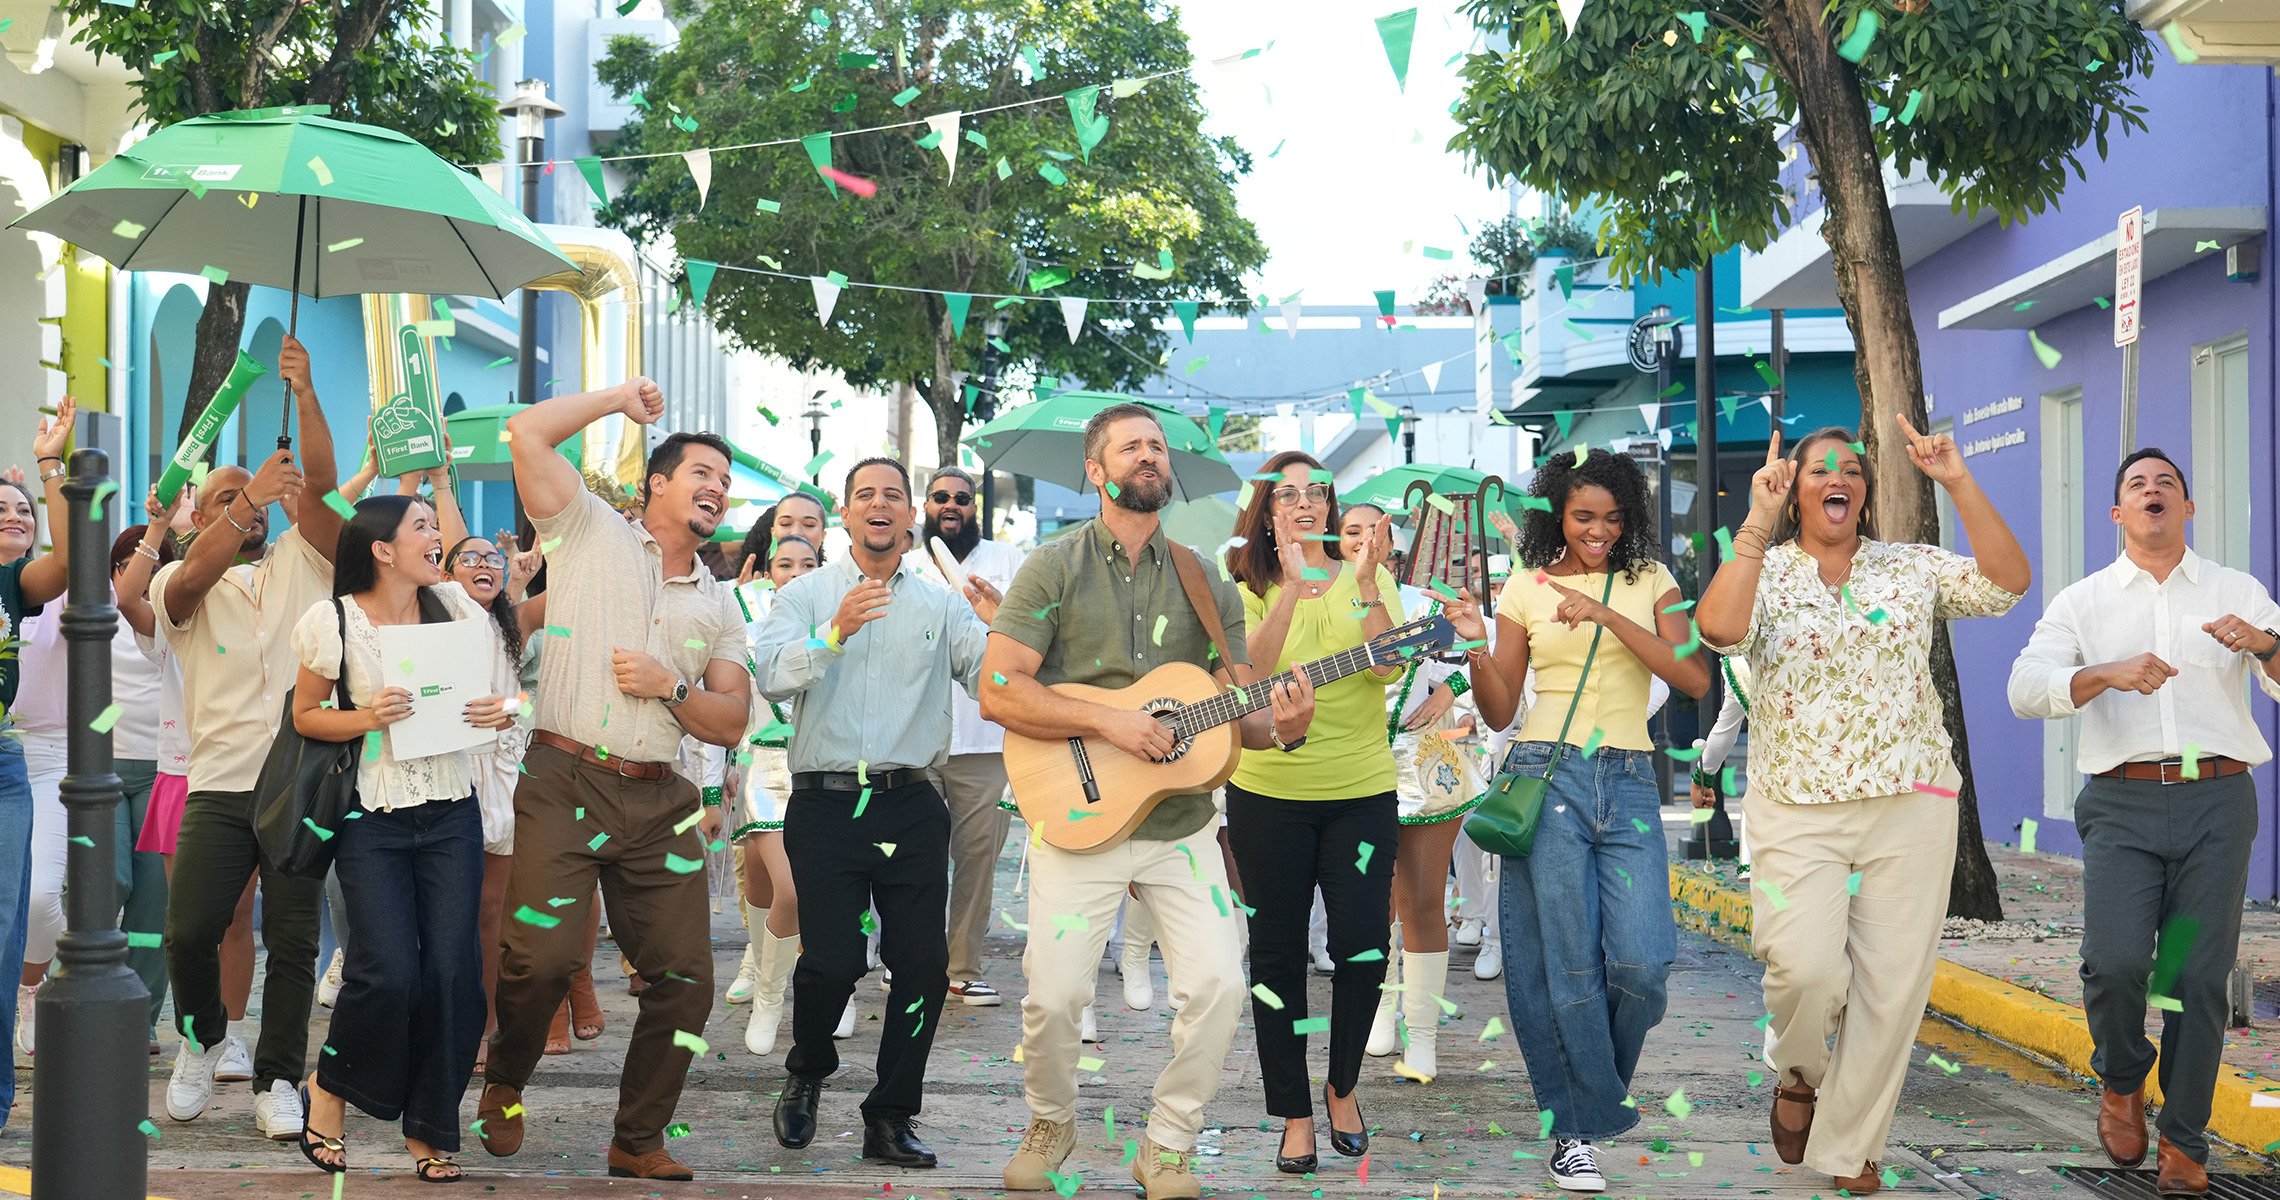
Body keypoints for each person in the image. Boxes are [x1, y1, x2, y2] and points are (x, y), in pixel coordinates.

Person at [981, 404, 1314, 1200]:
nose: (1149, 456)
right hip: (1075, 815)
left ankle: (1167, 1142)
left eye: (1157, 447)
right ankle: (1050, 1119)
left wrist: (1287, 728)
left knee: (1222, 985)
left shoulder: (1206, 581)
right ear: (1095, 472)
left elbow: (1243, 721)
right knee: (1055, 994)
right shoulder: (1051, 566)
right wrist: (1113, 724)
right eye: (1131, 447)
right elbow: (1000, 690)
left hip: (1180, 825)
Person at [1696, 422, 2025, 1193]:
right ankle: (1799, 1071)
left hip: (1912, 799)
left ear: (1864, 494)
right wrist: (1755, 522)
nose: (1838, 479)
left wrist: (1958, 481)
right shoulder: (1766, 570)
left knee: (1891, 986)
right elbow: (1719, 629)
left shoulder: (1909, 568)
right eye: (1819, 471)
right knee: (1803, 970)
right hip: (1796, 805)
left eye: (1851, 471)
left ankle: (1851, 1150)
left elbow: (2008, 583)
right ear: (1796, 487)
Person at [476, 380, 752, 1182]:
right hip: (564, 777)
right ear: (654, 484)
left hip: (662, 795)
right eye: (701, 473)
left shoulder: (719, 604)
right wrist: (615, 401)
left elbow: (729, 721)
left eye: (725, 483)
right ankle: (506, 1080)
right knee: (543, 959)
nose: (717, 489)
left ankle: (637, 1138)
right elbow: (525, 432)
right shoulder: (589, 530)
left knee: (687, 981)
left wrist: (671, 686)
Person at [2007, 448, 2270, 1196]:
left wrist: (2269, 646)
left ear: (2187, 509)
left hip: (2215, 806)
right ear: (2118, 513)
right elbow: (2026, 688)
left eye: (2167, 484)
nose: (2153, 491)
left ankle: (2184, 1141)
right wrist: (2104, 674)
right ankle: (2122, 1078)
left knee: (2193, 975)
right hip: (2122, 805)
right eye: (2136, 485)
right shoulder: (2084, 601)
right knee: (2117, 963)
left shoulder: (2236, 590)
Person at [1452, 446, 1712, 1193]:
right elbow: (1501, 707)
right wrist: (1476, 642)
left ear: (1626, 517)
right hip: (1545, 775)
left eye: (1610, 517)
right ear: (1557, 517)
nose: (1597, 530)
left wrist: (1606, 613)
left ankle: (1589, 1104)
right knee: (1561, 960)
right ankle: (1572, 1131)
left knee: (1643, 965)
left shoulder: (1653, 581)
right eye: (1582, 516)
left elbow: (1693, 676)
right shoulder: (1525, 588)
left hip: (1629, 779)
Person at [754, 457, 997, 1167]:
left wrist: (1001, 625)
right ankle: (807, 1071)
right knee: (831, 961)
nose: (880, 505)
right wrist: (833, 633)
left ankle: (890, 1116)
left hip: (911, 801)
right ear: (846, 514)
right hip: (826, 804)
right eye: (866, 495)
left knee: (921, 967)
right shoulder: (805, 595)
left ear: (911, 515)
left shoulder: (942, 604)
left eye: (894, 495)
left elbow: (994, 684)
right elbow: (769, 676)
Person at [152, 337, 350, 1139]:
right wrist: (244, 497)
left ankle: (276, 1081)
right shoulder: (182, 578)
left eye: (261, 494)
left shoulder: (304, 558)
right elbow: (192, 576)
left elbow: (327, 491)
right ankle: (203, 1039)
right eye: (230, 497)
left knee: (296, 942)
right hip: (222, 782)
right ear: (200, 514)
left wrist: (303, 394)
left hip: (302, 779)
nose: (254, 502)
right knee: (189, 930)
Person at [290, 491, 516, 1182]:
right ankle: (328, 1090)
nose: (436, 535)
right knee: (386, 972)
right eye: (421, 526)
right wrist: (367, 716)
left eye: (433, 524)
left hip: (452, 811)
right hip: (372, 813)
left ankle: (429, 1125)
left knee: (453, 974)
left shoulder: (461, 610)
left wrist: (501, 713)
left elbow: (510, 700)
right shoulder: (332, 620)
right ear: (383, 548)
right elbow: (304, 716)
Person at [1218, 451, 1401, 1175]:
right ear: (1267, 510)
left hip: (1361, 788)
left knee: (1362, 946)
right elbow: (1250, 674)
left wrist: (1361, 583)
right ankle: (1293, 1112)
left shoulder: (1369, 573)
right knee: (1277, 955)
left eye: (1316, 492)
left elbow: (1388, 664)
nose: (1304, 504)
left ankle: (1343, 1085)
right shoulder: (1245, 584)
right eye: (1287, 495)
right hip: (1269, 793)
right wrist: (1293, 589)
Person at [1359, 507, 1486, 1086]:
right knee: (1373, 902)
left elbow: (1500, 649)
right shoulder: (1323, 601)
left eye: (1375, 530)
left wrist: (1452, 690)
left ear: (1393, 538)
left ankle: (1425, 1036)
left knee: (1424, 900)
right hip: (1355, 766)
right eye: (1352, 530)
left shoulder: (1427, 600)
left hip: (1428, 763)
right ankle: (1381, 1010)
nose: (1365, 540)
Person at [904, 465, 1027, 1007]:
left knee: (977, 860)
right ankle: (910, 961)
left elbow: (1034, 633)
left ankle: (961, 968)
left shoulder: (1009, 561)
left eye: (963, 498)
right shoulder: (905, 566)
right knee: (913, 858)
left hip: (986, 738)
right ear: (924, 507)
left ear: (977, 508)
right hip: (915, 737)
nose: (951, 505)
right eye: (940, 497)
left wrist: (999, 610)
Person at [441, 524, 547, 1070]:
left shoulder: (515, 620)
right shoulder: (434, 613)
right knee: (445, 914)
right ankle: (442, 1018)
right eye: (469, 558)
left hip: (504, 775)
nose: (484, 563)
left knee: (491, 913)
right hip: (449, 776)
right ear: (446, 573)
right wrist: (437, 480)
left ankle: (485, 1027)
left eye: (493, 557)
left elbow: (532, 706)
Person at [0, 407, 82, 1096]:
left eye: (21, 509)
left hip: (35, 760)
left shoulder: (25, 587)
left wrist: (50, 466)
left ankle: (29, 987)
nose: (13, 515)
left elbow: (69, 562)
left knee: (26, 909)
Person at [727, 532, 821, 1054]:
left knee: (776, 889)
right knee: (785, 891)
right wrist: (713, 781)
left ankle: (834, 989)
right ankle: (769, 997)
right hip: (763, 766)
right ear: (769, 572)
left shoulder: (841, 625)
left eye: (808, 563)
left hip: (827, 772)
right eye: (785, 563)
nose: (796, 572)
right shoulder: (744, 622)